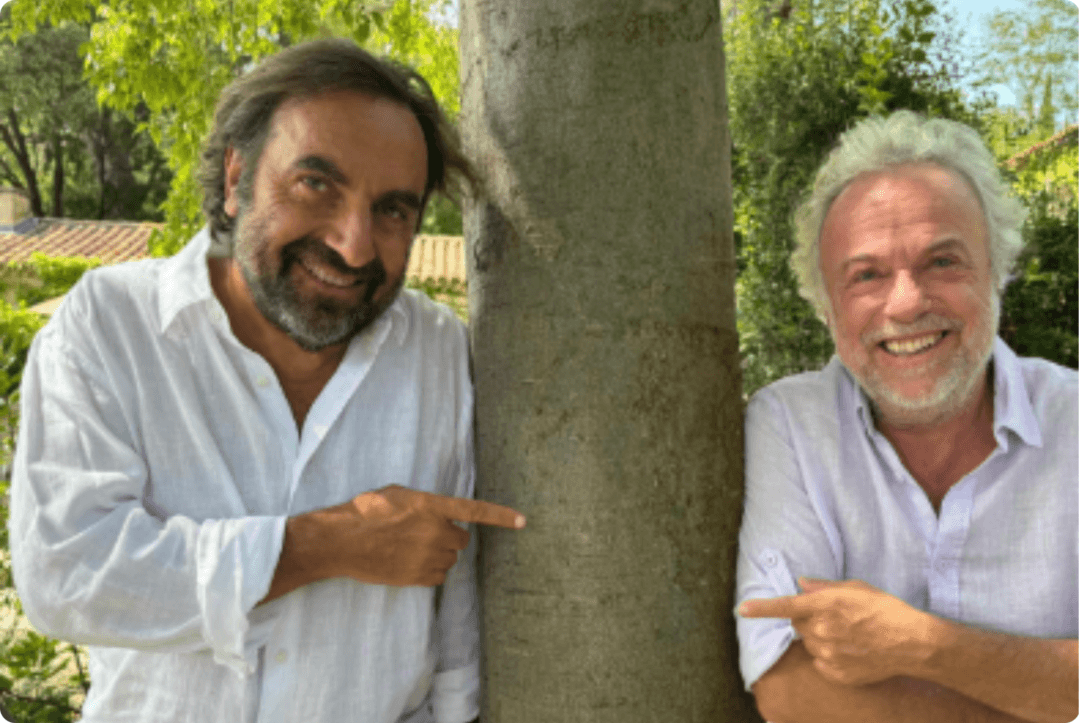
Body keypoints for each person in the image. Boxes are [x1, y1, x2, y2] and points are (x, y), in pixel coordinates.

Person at [9, 39, 525, 723]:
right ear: (236, 178)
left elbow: (457, 628)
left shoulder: (439, 351)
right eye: (317, 184)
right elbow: (66, 572)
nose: (353, 245)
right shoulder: (111, 328)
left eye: (392, 210)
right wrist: (330, 541)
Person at [735, 110, 1077, 723]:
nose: (907, 303)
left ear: (997, 272)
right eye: (866, 275)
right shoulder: (790, 424)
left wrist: (924, 645)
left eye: (942, 262)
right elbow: (790, 688)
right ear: (826, 307)